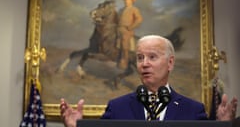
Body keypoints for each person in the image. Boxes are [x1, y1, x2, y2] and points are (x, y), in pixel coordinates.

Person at [60, 35, 238, 127]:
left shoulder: (193, 110)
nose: (144, 64)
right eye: (139, 58)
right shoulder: (116, 108)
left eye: (152, 57)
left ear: (170, 63)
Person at [117, 0, 143, 69]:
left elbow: (139, 19)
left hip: (127, 30)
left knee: (124, 44)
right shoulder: (121, 10)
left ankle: (124, 62)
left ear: (132, 1)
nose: (126, 1)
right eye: (125, 0)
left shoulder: (134, 9)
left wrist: (131, 27)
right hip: (118, 29)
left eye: (128, 0)